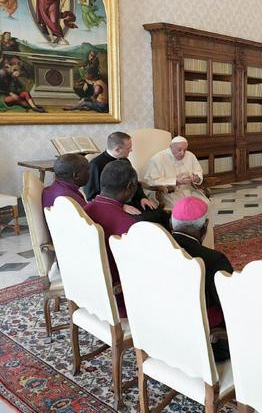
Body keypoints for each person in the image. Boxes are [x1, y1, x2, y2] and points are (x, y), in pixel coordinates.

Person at [170, 196, 233, 342]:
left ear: (171, 223)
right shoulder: (214, 260)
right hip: (200, 340)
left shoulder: (155, 247)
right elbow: (230, 303)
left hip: (161, 329)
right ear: (205, 226)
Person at [83, 160, 139, 316]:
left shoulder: (84, 212)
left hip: (89, 291)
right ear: (130, 187)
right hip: (119, 299)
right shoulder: (129, 225)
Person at [84, 132, 169, 228]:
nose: (131, 150)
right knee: (149, 220)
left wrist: (142, 197)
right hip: (113, 208)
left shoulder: (125, 160)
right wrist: (120, 206)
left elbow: (134, 182)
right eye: (128, 148)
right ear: (117, 149)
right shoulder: (96, 165)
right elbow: (91, 195)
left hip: (133, 202)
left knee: (161, 214)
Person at [143, 136, 207, 209]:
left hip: (188, 190)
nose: (182, 153)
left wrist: (197, 178)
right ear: (170, 147)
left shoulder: (190, 155)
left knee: (204, 203)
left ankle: (199, 220)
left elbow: (198, 171)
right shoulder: (157, 159)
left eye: (185, 150)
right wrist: (175, 181)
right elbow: (152, 182)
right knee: (183, 208)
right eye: (179, 150)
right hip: (167, 193)